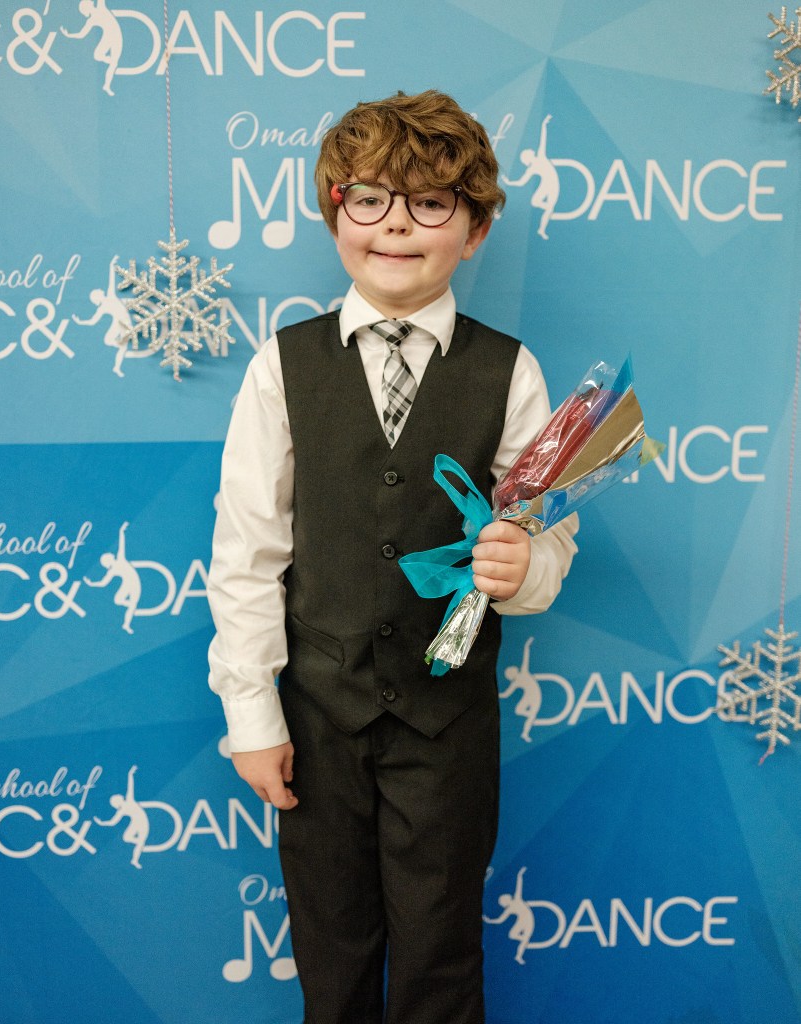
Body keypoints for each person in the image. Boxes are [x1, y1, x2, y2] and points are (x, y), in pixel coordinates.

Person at [207, 90, 578, 1024]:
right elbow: (247, 551)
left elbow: (544, 536)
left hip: (446, 726)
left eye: (430, 204)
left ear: (474, 229)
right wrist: (251, 714)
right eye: (369, 199)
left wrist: (523, 570)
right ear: (335, 212)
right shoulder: (281, 366)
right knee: (331, 957)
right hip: (318, 723)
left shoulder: (510, 372)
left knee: (439, 958)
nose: (396, 226)